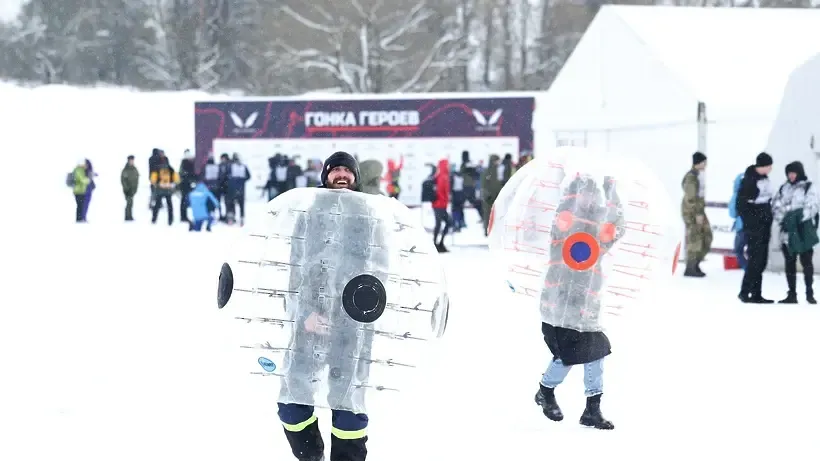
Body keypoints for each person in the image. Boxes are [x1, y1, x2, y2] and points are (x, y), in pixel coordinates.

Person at [277, 151, 375, 461]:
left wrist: (360, 316)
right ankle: (311, 456)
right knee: (292, 405)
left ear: (356, 178)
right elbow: (295, 271)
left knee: (348, 408)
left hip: (352, 328)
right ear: (325, 177)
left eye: (348, 170)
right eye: (336, 170)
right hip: (309, 324)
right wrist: (304, 314)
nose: (342, 174)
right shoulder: (309, 214)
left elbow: (381, 272)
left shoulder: (370, 215)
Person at [535, 175, 623, 430]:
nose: (588, 201)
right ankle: (545, 391)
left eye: (593, 197)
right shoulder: (563, 224)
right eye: (584, 195)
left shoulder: (598, 230)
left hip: (587, 303)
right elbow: (561, 219)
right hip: (559, 304)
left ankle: (592, 409)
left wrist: (612, 192)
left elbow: (617, 227)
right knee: (568, 355)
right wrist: (571, 189)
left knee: (595, 352)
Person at [771, 161, 819, 304]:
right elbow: (776, 206)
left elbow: (812, 206)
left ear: (799, 172)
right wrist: (784, 218)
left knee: (807, 262)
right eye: (788, 173)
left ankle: (809, 293)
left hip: (803, 231)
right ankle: (792, 294)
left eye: (793, 172)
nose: (791, 175)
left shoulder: (808, 187)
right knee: (790, 262)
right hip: (787, 232)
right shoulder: (783, 188)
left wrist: (796, 217)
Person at [736, 152, 775, 303]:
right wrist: (752, 223)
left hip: (764, 223)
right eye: (769, 166)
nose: (770, 169)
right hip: (755, 226)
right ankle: (748, 292)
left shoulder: (764, 179)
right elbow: (742, 205)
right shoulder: (749, 180)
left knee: (761, 260)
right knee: (755, 259)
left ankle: (754, 292)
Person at [681, 152, 712, 277]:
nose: (705, 164)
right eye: (704, 162)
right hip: (692, 213)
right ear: (698, 163)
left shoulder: (698, 175)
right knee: (695, 238)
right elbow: (691, 198)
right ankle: (691, 267)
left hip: (698, 211)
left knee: (706, 236)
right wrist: (698, 214)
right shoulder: (691, 177)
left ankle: (696, 263)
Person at [150, 151, 180, 225]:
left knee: (160, 205)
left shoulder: (159, 167)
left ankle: (155, 220)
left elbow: (175, 177)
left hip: (164, 189)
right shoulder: (166, 168)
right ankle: (168, 220)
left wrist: (173, 183)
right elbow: (176, 177)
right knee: (166, 205)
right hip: (164, 189)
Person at [729, 172, 747, 269]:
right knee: (752, 249)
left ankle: (745, 267)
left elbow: (732, 213)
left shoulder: (737, 195)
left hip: (741, 226)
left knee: (738, 249)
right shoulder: (754, 193)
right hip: (755, 226)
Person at [226, 153, 250, 225]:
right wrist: (242, 180)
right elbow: (248, 176)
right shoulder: (243, 166)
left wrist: (231, 180)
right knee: (241, 205)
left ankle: (231, 218)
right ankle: (242, 219)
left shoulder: (230, 166)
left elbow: (226, 176)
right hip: (241, 188)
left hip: (232, 188)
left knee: (231, 204)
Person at [179, 149, 196, 223]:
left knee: (184, 201)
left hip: (186, 184)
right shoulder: (188, 163)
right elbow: (183, 174)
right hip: (186, 185)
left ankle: (184, 216)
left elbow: (181, 174)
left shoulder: (185, 162)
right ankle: (184, 216)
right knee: (185, 201)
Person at [121, 155, 139, 221]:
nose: (132, 161)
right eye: (130, 160)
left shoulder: (134, 169)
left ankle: (130, 216)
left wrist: (135, 188)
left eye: (132, 160)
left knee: (131, 203)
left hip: (133, 189)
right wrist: (126, 188)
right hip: (128, 190)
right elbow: (123, 180)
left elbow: (137, 178)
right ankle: (127, 216)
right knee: (129, 203)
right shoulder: (125, 169)